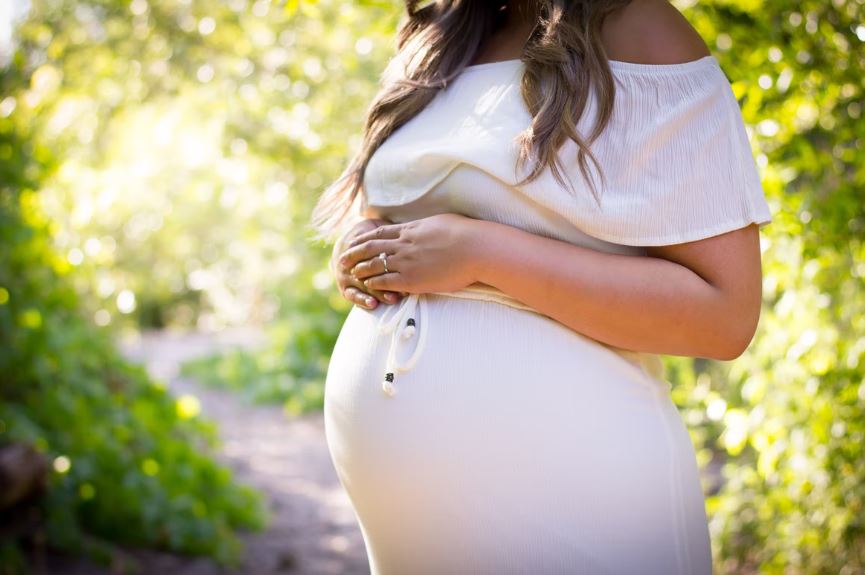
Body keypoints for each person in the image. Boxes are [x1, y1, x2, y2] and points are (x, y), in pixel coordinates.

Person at [311, 0, 772, 573]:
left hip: (584, 498)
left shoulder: (643, 30)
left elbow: (724, 314)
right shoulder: (443, 34)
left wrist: (484, 253)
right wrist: (363, 249)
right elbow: (401, 210)